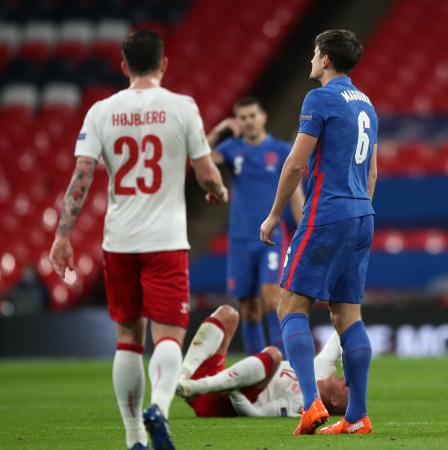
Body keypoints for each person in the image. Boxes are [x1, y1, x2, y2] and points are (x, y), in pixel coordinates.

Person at [47, 30, 227, 450]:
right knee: (169, 335)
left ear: (124, 65)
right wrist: (218, 192)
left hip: (119, 240)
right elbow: (205, 172)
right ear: (165, 64)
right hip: (165, 240)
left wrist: (62, 234)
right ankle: (159, 410)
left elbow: (81, 177)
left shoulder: (101, 111)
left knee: (128, 338)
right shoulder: (182, 107)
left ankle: (133, 439)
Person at [259, 29, 378, 436]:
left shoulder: (320, 99)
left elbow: (295, 163)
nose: (311, 59)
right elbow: (373, 171)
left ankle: (310, 405)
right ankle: (357, 416)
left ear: (325, 59)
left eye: (314, 52)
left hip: (327, 214)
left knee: (290, 307)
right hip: (363, 213)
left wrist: (275, 215)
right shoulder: (367, 104)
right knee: (347, 315)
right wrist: (360, 210)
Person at [205, 97, 305, 356]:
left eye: (252, 115)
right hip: (240, 239)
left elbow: (295, 194)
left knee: (272, 300)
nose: (248, 121)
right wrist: (218, 131)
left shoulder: (282, 150)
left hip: (270, 237)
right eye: (242, 117)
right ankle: (257, 368)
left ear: (263, 117)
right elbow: (200, 159)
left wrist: (305, 230)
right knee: (248, 307)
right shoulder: (231, 149)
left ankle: (282, 366)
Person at [175, 305, 348, 418]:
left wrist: (233, 389)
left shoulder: (305, 405)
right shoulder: (322, 369)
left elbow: (254, 413)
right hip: (217, 383)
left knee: (273, 355)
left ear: (334, 401)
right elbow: (340, 331)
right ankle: (184, 379)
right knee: (228, 314)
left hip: (218, 402)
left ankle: (196, 386)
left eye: (347, 387)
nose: (345, 379)